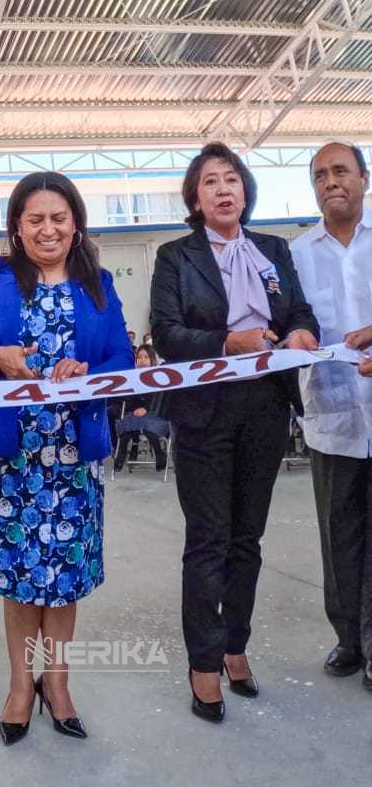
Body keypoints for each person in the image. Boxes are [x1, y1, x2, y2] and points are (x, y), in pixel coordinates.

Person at [0, 171, 127, 746]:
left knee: (63, 580)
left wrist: (89, 373)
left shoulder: (99, 283)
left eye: (59, 218)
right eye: (35, 219)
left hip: (73, 455)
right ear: (17, 229)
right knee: (20, 580)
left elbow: (121, 355)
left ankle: (58, 684)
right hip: (11, 460)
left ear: (76, 224)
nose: (49, 229)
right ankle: (22, 687)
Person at [150, 142, 318, 722]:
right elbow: (167, 333)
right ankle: (202, 663)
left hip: (266, 407)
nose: (224, 189)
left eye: (232, 180)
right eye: (210, 182)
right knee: (208, 541)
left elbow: (299, 312)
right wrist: (228, 342)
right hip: (204, 410)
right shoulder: (177, 256)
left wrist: (299, 334)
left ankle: (235, 645)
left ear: (245, 191)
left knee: (249, 539)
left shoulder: (272, 250)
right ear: (195, 199)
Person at [292, 142, 372, 689]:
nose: (330, 182)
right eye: (320, 175)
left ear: (364, 178)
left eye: (341, 170)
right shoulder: (295, 255)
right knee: (338, 532)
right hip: (332, 415)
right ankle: (349, 638)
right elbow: (286, 322)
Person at [111, 345, 168, 473]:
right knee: (126, 430)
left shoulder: (159, 376)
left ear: (152, 360)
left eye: (146, 357)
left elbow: (159, 399)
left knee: (149, 430)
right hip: (135, 413)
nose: (142, 360)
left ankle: (160, 454)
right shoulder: (132, 377)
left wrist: (146, 409)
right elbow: (128, 399)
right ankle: (121, 453)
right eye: (139, 357)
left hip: (154, 413)